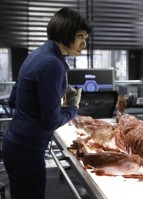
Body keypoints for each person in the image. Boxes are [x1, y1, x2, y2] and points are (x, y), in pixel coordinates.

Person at [2, 7, 91, 199]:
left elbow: (14, 100)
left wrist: (50, 96)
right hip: (27, 152)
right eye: (81, 36)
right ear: (65, 32)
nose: (84, 44)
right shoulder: (53, 64)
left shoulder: (37, 54)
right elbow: (50, 121)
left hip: (15, 146)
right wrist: (73, 107)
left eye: (86, 38)